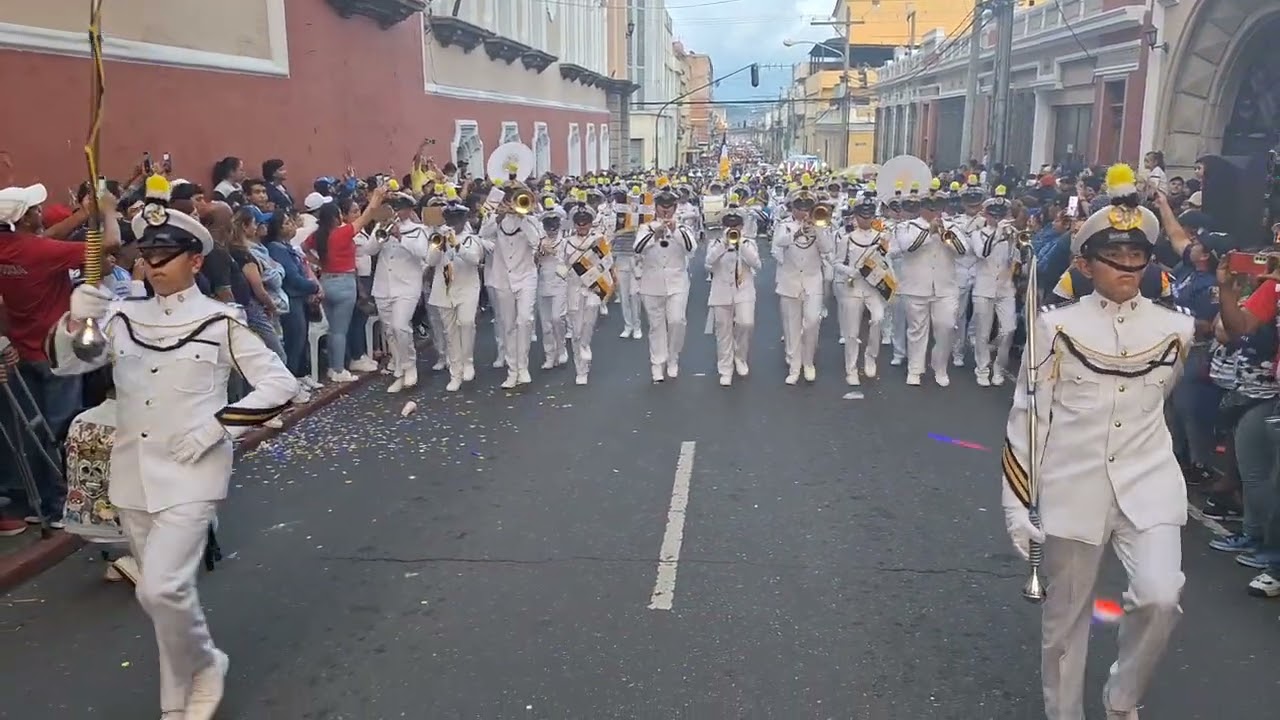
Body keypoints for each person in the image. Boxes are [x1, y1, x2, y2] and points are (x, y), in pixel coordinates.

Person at [48, 176, 297, 720]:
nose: (155, 264)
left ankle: (204, 667)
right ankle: (178, 699)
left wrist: (217, 428)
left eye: (168, 254)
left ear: (195, 262)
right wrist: (77, 317)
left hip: (193, 472)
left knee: (160, 588)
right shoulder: (121, 317)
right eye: (148, 254)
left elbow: (281, 385)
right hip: (133, 475)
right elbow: (68, 363)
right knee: (165, 596)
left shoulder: (218, 321)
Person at [1000, 165, 1194, 720]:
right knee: (1065, 624)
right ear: (1085, 264)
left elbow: (1162, 400)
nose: (1129, 268)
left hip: (1148, 481)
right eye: (1115, 259)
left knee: (1160, 596)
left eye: (1138, 258)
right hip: (1072, 485)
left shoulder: (1173, 330)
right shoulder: (1054, 328)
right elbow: (1028, 419)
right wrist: (1018, 507)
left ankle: (1121, 699)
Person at [891, 184, 964, 387]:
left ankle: (939, 367)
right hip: (916, 287)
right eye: (930, 207)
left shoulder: (953, 226)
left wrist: (945, 234)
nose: (933, 211)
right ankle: (915, 369)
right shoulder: (906, 226)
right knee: (917, 330)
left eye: (938, 206)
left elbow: (962, 250)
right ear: (921, 207)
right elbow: (907, 247)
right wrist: (928, 232)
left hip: (945, 287)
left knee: (947, 327)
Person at [479, 186, 543, 388]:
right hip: (502, 277)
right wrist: (496, 218)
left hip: (526, 275)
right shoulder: (495, 220)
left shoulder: (531, 221)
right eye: (509, 200)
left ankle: (523, 367)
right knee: (508, 325)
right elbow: (483, 235)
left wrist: (523, 217)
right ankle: (512, 370)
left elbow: (536, 242)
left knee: (524, 320)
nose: (513, 204)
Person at [772, 184, 833, 385]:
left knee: (812, 321)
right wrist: (796, 234)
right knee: (791, 326)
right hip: (789, 281)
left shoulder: (820, 225)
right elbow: (778, 244)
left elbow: (827, 249)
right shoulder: (784, 225)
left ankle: (808, 362)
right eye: (800, 206)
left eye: (808, 207)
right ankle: (794, 365)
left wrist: (817, 230)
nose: (804, 211)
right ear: (792, 208)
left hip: (812, 281)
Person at [635, 188, 695, 383]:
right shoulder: (646, 228)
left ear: (675, 208)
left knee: (677, 321)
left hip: (677, 282)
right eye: (662, 207)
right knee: (656, 325)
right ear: (656, 207)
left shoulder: (683, 227)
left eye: (669, 208)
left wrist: (675, 229)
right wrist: (655, 234)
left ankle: (673, 357)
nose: (666, 211)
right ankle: (657, 363)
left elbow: (690, 248)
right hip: (651, 283)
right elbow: (638, 249)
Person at [832, 191, 890, 385]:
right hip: (853, 287)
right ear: (855, 216)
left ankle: (871, 357)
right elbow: (837, 263)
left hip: (873, 288)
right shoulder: (847, 239)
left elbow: (888, 260)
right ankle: (851, 368)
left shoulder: (881, 237)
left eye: (869, 215)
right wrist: (852, 271)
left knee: (878, 319)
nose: (866, 219)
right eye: (862, 215)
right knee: (852, 331)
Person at [426, 201, 483, 392]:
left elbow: (475, 259)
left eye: (457, 219)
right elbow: (430, 261)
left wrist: (456, 244)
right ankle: (455, 373)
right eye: (450, 219)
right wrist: (439, 246)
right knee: (450, 333)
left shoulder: (471, 239)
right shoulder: (438, 237)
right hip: (444, 289)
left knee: (466, 323)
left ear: (464, 220)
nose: (453, 223)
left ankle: (468, 362)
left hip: (467, 288)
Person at [558, 205, 614, 385]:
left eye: (586, 224)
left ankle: (585, 346)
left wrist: (592, 273)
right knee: (575, 331)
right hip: (573, 288)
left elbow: (607, 261)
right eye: (579, 224)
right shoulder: (567, 242)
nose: (582, 227)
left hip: (593, 286)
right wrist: (562, 272)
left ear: (591, 223)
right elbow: (561, 263)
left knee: (588, 323)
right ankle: (580, 369)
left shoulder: (598, 239)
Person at [705, 207, 760, 386]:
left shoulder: (749, 243)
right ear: (723, 226)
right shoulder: (715, 243)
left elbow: (756, 264)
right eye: (729, 224)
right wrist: (724, 243)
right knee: (723, 331)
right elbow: (708, 263)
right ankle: (725, 368)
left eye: (736, 224)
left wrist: (740, 244)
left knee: (746, 323)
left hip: (744, 290)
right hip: (721, 292)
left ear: (742, 226)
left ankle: (740, 357)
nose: (732, 227)